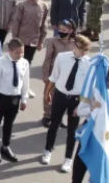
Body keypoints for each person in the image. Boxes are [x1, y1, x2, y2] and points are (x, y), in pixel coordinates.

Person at [39, 34, 92, 172]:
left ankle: (68, 159)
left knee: (72, 130)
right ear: (75, 46)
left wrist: (83, 105)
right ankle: (47, 150)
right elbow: (54, 76)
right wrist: (47, 93)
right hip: (60, 96)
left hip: (76, 99)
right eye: (81, 49)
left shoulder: (89, 63)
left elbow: (88, 88)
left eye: (86, 50)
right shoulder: (62, 58)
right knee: (53, 125)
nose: (84, 52)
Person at [70, 66, 109, 183]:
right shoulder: (93, 92)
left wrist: (105, 125)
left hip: (104, 134)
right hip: (89, 129)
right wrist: (91, 108)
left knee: (99, 164)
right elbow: (79, 111)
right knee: (80, 160)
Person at [0, 38, 30, 163]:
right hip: (1, 97)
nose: (21, 55)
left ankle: (5, 146)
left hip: (15, 98)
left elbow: (25, 82)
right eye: (18, 52)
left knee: (9, 124)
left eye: (22, 52)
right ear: (10, 51)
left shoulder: (24, 63)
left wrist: (24, 99)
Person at [8, 0, 49, 88]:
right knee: (17, 61)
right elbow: (16, 23)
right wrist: (15, 39)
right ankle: (15, 83)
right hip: (21, 39)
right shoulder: (22, 6)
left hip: (34, 40)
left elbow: (44, 25)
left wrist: (41, 41)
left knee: (27, 62)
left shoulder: (44, 6)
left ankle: (24, 86)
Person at [42, 19, 78, 128]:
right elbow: (48, 59)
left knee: (62, 96)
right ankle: (47, 116)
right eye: (60, 29)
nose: (61, 31)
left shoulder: (75, 42)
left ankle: (59, 117)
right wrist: (45, 75)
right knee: (50, 94)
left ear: (70, 30)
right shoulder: (53, 41)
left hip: (68, 74)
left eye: (64, 30)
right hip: (54, 72)